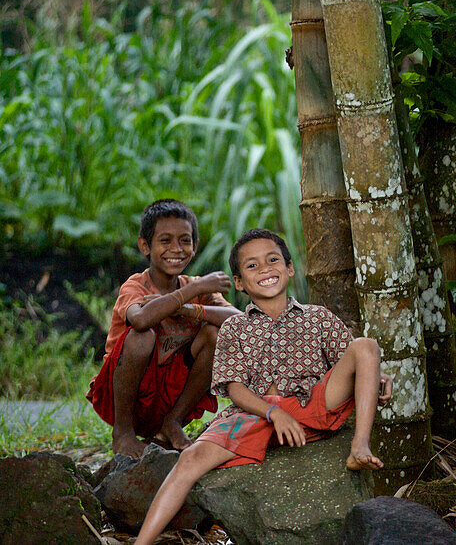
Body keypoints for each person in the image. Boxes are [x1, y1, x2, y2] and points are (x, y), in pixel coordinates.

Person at [133, 228, 393, 545]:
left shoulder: (318, 317)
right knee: (189, 460)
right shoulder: (235, 326)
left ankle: (359, 447)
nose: (266, 269)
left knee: (366, 347)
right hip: (255, 412)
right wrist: (273, 412)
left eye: (273, 260)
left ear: (289, 268)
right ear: (240, 283)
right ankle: (141, 543)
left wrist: (376, 375)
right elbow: (236, 390)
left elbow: (351, 360)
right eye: (252, 265)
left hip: (311, 402)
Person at [87, 199, 239, 457]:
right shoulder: (135, 286)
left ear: (195, 246)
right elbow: (141, 320)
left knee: (216, 333)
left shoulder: (196, 288)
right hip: (125, 398)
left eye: (185, 240)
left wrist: (188, 308)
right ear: (145, 246)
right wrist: (193, 290)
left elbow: (237, 321)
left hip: (170, 398)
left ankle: (172, 423)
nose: (176, 249)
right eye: (165, 241)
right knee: (141, 336)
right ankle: (122, 434)